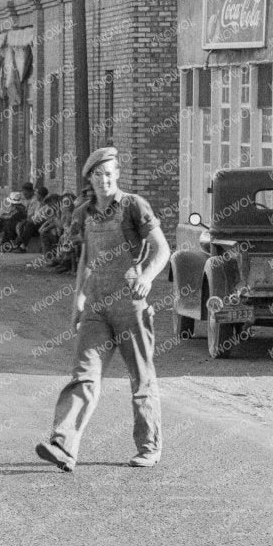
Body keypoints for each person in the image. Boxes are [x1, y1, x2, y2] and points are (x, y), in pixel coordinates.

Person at [36, 148, 170, 472]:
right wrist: (77, 302)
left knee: (140, 378)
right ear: (90, 178)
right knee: (83, 376)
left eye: (110, 173)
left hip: (130, 305)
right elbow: (86, 260)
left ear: (117, 174)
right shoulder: (84, 212)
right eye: (98, 174)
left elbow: (162, 248)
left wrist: (147, 277)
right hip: (96, 306)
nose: (105, 180)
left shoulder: (134, 206)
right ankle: (64, 445)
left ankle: (149, 447)